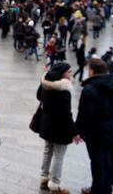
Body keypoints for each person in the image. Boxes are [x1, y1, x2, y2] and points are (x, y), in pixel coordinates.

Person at [76, 58, 113, 194]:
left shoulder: (90, 89)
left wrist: (79, 130)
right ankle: (106, 188)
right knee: (107, 158)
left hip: (95, 130)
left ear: (92, 70)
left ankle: (97, 189)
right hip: (111, 127)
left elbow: (84, 115)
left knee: (97, 161)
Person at [36, 62, 81, 194]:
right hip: (60, 127)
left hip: (46, 123)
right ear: (62, 73)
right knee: (58, 156)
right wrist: (74, 132)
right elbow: (66, 114)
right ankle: (55, 185)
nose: (71, 74)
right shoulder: (64, 89)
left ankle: (44, 179)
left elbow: (39, 96)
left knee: (47, 150)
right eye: (69, 72)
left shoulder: (45, 82)